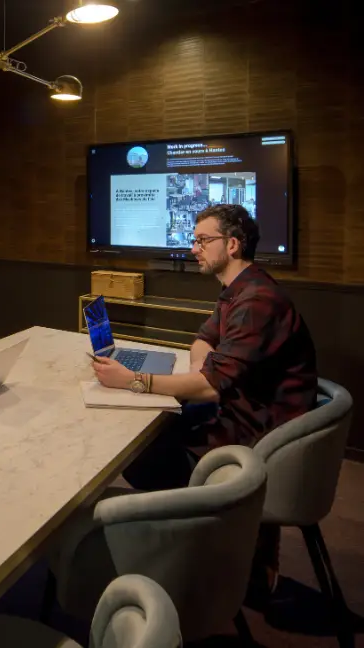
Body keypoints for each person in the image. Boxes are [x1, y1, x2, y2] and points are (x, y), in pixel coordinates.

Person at [92, 204, 317, 599]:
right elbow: (203, 341)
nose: (192, 247)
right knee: (164, 424)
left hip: (260, 440)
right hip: (244, 416)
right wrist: (204, 370)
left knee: (144, 452)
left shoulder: (257, 302)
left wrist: (133, 382)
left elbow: (212, 387)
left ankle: (191, 550)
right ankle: (207, 543)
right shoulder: (242, 289)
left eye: (201, 240)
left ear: (231, 245)